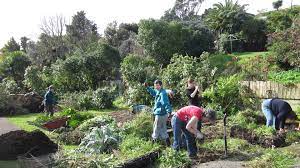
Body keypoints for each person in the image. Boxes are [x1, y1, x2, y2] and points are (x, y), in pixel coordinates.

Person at [144, 80, 173, 145]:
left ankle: (153, 144)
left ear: (161, 85)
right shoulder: (158, 91)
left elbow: (165, 102)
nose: (156, 87)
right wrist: (147, 87)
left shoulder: (163, 93)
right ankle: (167, 144)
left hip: (161, 114)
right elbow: (154, 92)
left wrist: (169, 111)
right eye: (155, 85)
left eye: (157, 85)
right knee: (163, 129)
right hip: (160, 113)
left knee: (156, 128)